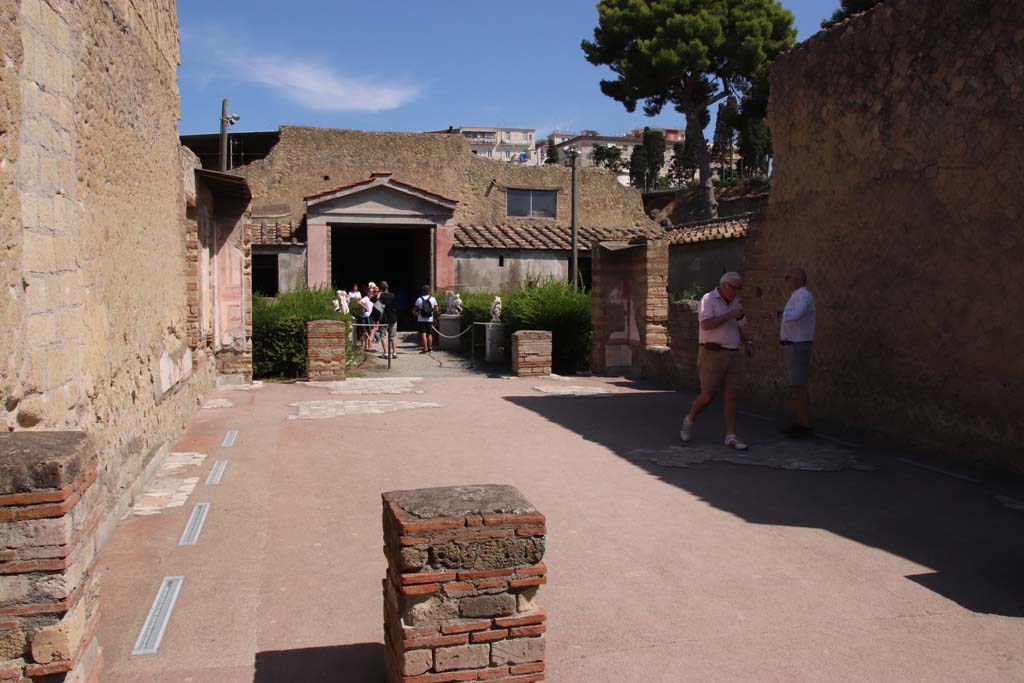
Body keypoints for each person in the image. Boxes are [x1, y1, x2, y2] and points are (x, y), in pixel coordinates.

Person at [679, 271, 753, 451]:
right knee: (708, 395)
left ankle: (730, 435)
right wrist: (729, 315)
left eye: (739, 289)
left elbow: (737, 326)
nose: (737, 293)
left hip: (733, 353)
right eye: (735, 288)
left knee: (731, 396)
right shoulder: (708, 299)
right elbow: (706, 324)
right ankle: (689, 419)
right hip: (712, 353)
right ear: (725, 285)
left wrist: (747, 341)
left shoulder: (735, 302)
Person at [779, 267, 816, 437]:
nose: (787, 280)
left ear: (798, 279)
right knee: (796, 386)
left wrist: (784, 313)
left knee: (799, 386)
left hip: (798, 345)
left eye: (789, 277)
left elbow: (797, 314)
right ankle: (800, 421)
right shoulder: (796, 296)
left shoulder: (804, 296)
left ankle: (806, 425)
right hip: (792, 345)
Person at [378, 281, 398, 359]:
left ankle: (386, 353)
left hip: (383, 319)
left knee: (383, 336)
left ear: (380, 288)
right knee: (393, 336)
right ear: (387, 287)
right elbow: (396, 306)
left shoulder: (380, 296)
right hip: (393, 318)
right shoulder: (393, 296)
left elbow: (378, 307)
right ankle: (394, 353)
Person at [414, 285, 437, 354]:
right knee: (429, 334)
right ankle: (430, 349)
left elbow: (414, 309)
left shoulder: (419, 299)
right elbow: (436, 309)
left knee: (423, 334)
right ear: (429, 291)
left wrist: (416, 314)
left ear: (422, 291)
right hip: (430, 319)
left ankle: (425, 349)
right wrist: (431, 312)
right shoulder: (433, 299)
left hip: (421, 319)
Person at [359, 285, 374, 351]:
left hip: (370, 316)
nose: (371, 293)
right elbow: (359, 302)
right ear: (367, 292)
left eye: (372, 292)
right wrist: (365, 307)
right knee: (370, 331)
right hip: (367, 316)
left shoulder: (372, 299)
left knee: (368, 332)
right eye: (370, 291)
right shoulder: (366, 298)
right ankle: (369, 347)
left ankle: (366, 346)